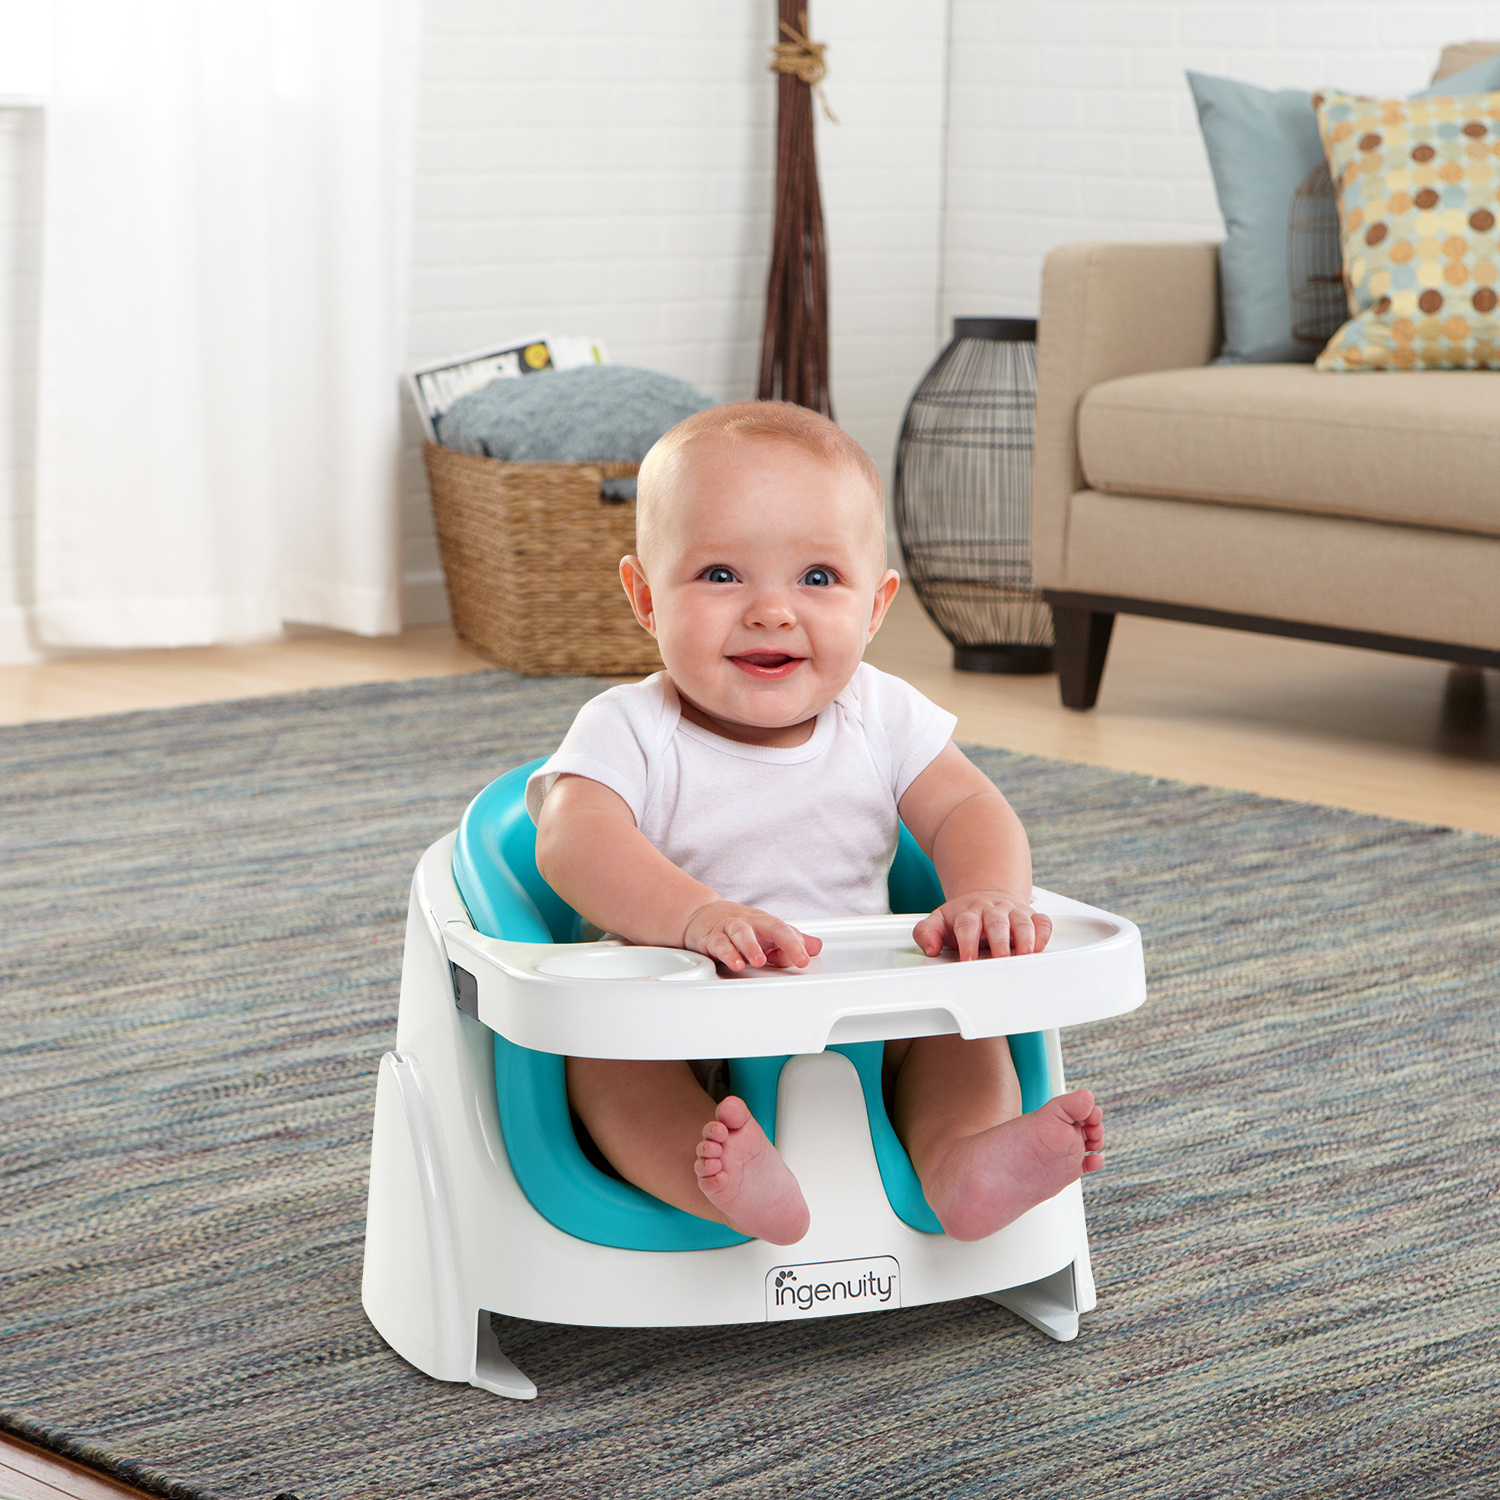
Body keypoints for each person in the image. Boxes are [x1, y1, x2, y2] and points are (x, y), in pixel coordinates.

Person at [527, 401, 1103, 1247]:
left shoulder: (884, 715)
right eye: (721, 575)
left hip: (865, 1006)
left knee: (959, 1035)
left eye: (819, 578)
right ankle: (717, 1182)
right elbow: (573, 840)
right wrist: (694, 917)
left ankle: (963, 1166)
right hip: (685, 1022)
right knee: (608, 1068)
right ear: (646, 597)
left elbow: (970, 808)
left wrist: (985, 896)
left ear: (875, 607)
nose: (770, 611)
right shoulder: (630, 728)